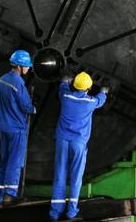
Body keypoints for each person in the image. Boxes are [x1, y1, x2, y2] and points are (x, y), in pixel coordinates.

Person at [50, 72, 107, 221]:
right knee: (75, 177)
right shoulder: (90, 102)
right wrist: (104, 90)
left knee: (59, 175)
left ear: (74, 85)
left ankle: (55, 212)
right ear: (88, 88)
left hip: (62, 140)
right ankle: (71, 212)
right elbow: (101, 99)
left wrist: (66, 80)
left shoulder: (65, 96)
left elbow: (63, 85)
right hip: (78, 143)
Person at [0, 49, 36, 205]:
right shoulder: (18, 83)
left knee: (4, 161)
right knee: (15, 162)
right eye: (27, 66)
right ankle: (10, 194)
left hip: (3, 126)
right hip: (17, 128)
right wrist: (33, 108)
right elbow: (25, 105)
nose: (28, 68)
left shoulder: (2, 80)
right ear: (20, 66)